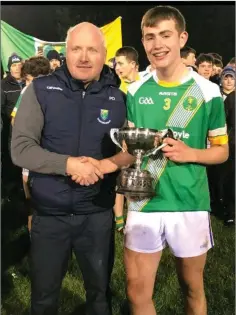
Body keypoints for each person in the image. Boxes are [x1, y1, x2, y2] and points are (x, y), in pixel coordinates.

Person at [76, 5, 229, 315]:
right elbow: (131, 149)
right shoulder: (134, 91)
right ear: (143, 43)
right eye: (149, 37)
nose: (157, 44)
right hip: (144, 201)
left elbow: (222, 150)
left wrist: (191, 154)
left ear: (182, 38)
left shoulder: (209, 92)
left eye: (165, 35)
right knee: (136, 292)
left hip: (189, 202)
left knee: (192, 288)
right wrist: (102, 165)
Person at [11, 22, 127, 315]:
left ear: (104, 55)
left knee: (100, 296)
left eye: (92, 50)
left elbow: (128, 153)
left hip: (97, 215)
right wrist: (68, 164)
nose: (84, 57)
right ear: (66, 53)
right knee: (44, 297)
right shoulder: (40, 89)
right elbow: (20, 149)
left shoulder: (118, 98)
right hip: (50, 215)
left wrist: (103, 165)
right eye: (76, 49)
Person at [11, 56, 51, 233]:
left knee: (33, 199)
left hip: (34, 152)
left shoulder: (28, 90)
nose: (26, 82)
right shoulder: (57, 90)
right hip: (49, 151)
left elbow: (14, 120)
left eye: (27, 78)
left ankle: (35, 237)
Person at [1, 53, 25, 199]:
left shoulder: (28, 82)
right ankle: (10, 191)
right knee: (10, 160)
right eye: (13, 65)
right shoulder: (3, 85)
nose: (16, 68)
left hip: (27, 128)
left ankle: (24, 189)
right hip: (10, 129)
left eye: (18, 65)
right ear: (9, 68)